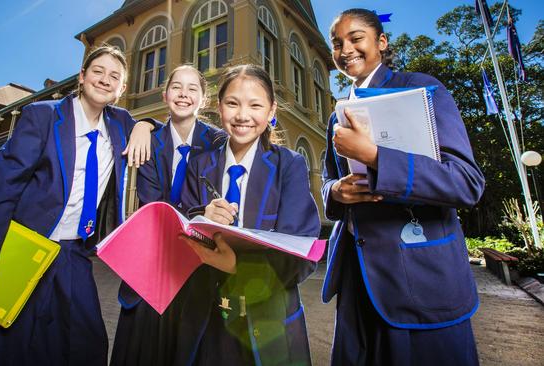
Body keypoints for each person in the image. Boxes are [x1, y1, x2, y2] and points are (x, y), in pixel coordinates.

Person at [0, 45, 161, 366]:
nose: (105, 80)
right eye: (98, 72)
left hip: (74, 256)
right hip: (26, 247)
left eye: (115, 77)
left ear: (122, 89)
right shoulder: (43, 116)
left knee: (85, 343)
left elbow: (165, 135)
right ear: (82, 77)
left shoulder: (121, 123)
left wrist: (146, 124)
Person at [321, 8, 485, 366]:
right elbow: (327, 180)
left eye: (355, 38)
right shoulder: (338, 114)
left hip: (419, 275)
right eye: (337, 43)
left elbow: (467, 183)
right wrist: (336, 192)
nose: (345, 49)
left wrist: (377, 156)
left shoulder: (422, 89)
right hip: (357, 281)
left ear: (381, 42)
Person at [178, 64, 320, 366]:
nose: (243, 116)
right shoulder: (199, 164)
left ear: (272, 111)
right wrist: (201, 215)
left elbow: (301, 250)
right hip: (207, 318)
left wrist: (237, 267)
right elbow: (182, 222)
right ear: (219, 108)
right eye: (232, 103)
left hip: (269, 321)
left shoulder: (289, 166)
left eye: (255, 105)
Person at [110, 64, 224, 366]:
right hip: (155, 258)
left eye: (192, 88)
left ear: (204, 99)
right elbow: (153, 204)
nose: (184, 94)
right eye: (177, 87)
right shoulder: (150, 140)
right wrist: (144, 124)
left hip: (200, 262)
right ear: (165, 94)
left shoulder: (218, 143)